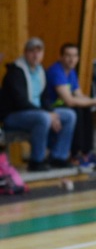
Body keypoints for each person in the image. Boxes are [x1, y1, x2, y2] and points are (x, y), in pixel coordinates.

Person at [0, 37, 76, 172]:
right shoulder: (15, 72)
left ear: (43, 54)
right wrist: (47, 114)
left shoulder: (41, 72)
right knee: (43, 118)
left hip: (36, 112)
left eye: (39, 52)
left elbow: (45, 99)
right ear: (25, 53)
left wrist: (51, 112)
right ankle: (37, 161)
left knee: (69, 115)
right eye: (32, 52)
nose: (35, 55)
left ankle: (58, 157)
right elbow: (21, 102)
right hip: (13, 115)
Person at [46, 42, 96, 170]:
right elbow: (69, 101)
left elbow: (79, 95)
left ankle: (86, 153)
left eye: (75, 56)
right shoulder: (56, 71)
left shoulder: (71, 72)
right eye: (68, 55)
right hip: (50, 108)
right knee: (76, 110)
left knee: (85, 107)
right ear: (60, 57)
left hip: (63, 106)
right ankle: (75, 155)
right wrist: (95, 101)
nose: (72, 59)